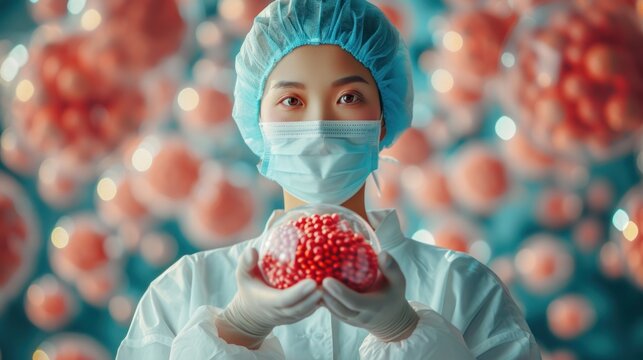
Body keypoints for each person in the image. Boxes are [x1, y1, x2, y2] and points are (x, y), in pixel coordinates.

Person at [117, 0, 541, 359]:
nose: (319, 125)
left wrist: (406, 333)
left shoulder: (463, 287)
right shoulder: (184, 289)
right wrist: (238, 328)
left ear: (381, 121)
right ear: (257, 122)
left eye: (348, 98)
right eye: (291, 100)